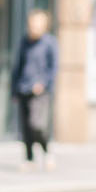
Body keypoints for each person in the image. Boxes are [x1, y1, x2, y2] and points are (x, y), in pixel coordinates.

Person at [11, 9, 57, 167]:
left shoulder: (49, 43)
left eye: (37, 25)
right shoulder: (24, 42)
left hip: (40, 91)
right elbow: (18, 66)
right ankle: (29, 158)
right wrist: (14, 89)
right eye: (31, 25)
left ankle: (46, 150)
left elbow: (53, 68)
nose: (33, 28)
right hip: (23, 87)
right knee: (25, 127)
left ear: (44, 26)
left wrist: (43, 83)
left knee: (36, 124)